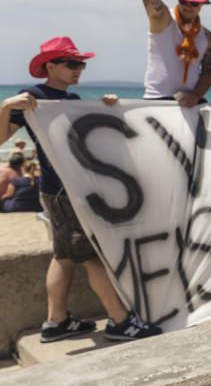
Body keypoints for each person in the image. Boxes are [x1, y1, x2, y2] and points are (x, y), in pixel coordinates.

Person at [0, 37, 161, 342]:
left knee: (63, 255)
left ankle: (56, 322)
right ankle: (119, 320)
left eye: (81, 64)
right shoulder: (32, 98)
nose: (79, 70)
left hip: (69, 189)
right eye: (71, 64)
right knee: (91, 256)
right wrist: (6, 106)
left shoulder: (72, 101)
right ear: (50, 66)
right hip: (60, 192)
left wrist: (107, 106)